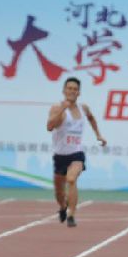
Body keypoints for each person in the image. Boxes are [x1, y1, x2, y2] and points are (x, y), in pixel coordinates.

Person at [46, 77, 107, 227]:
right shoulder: (57, 108)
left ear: (79, 92)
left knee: (71, 179)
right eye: (69, 88)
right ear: (64, 91)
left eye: (75, 89)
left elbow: (91, 118)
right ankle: (63, 207)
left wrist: (98, 135)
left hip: (76, 154)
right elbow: (49, 126)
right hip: (60, 155)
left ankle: (71, 214)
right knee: (59, 193)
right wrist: (62, 109)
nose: (72, 91)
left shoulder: (83, 108)